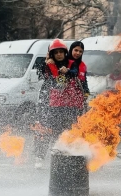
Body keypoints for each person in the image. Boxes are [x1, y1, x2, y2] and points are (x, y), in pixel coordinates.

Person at [33, 39, 84, 169]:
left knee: (66, 131)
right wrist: (47, 63)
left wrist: (66, 71)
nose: (59, 55)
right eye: (56, 53)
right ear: (52, 54)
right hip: (52, 105)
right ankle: (39, 156)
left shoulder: (72, 63)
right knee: (45, 130)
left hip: (69, 105)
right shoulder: (48, 65)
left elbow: (75, 73)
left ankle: (62, 155)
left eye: (62, 52)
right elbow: (42, 74)